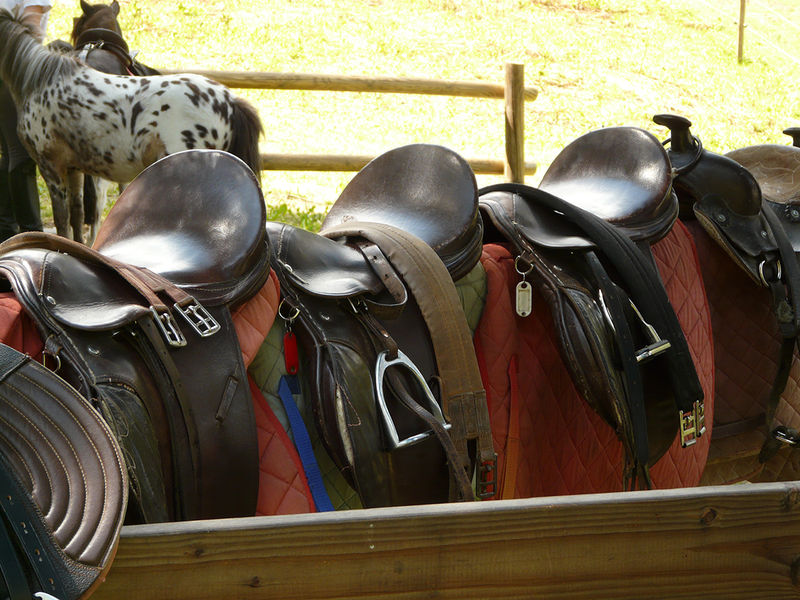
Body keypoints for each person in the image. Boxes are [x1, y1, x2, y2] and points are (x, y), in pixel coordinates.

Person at [0, 0, 52, 242]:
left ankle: (6, 231)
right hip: (13, 73)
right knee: (20, 155)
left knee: (9, 154)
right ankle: (32, 235)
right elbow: (32, 32)